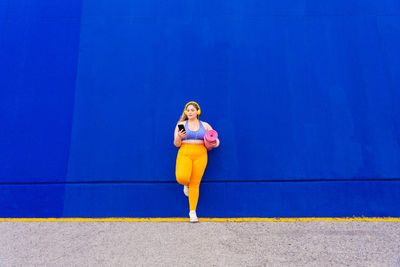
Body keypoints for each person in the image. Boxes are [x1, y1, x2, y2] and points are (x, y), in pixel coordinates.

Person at [173, 101, 220, 222]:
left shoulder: (205, 125)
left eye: (192, 110)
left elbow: (216, 139)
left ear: (197, 112)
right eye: (188, 110)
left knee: (195, 183)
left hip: (201, 154)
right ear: (185, 112)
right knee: (182, 177)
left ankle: (192, 211)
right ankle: (185, 184)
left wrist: (214, 143)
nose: (189, 112)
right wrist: (179, 136)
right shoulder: (181, 125)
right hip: (185, 152)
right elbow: (176, 144)